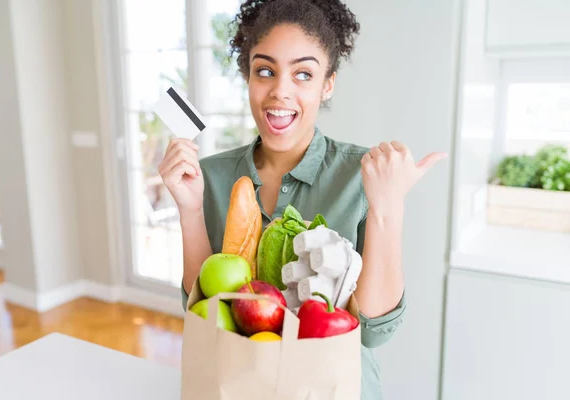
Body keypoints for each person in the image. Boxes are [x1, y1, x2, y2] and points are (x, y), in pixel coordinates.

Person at [158, 0, 447, 398]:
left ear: (327, 83)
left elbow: (375, 331)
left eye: (303, 74)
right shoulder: (210, 175)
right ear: (247, 77)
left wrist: (388, 206)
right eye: (265, 71)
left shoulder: (362, 175)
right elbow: (205, 309)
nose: (280, 90)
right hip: (239, 385)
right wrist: (190, 210)